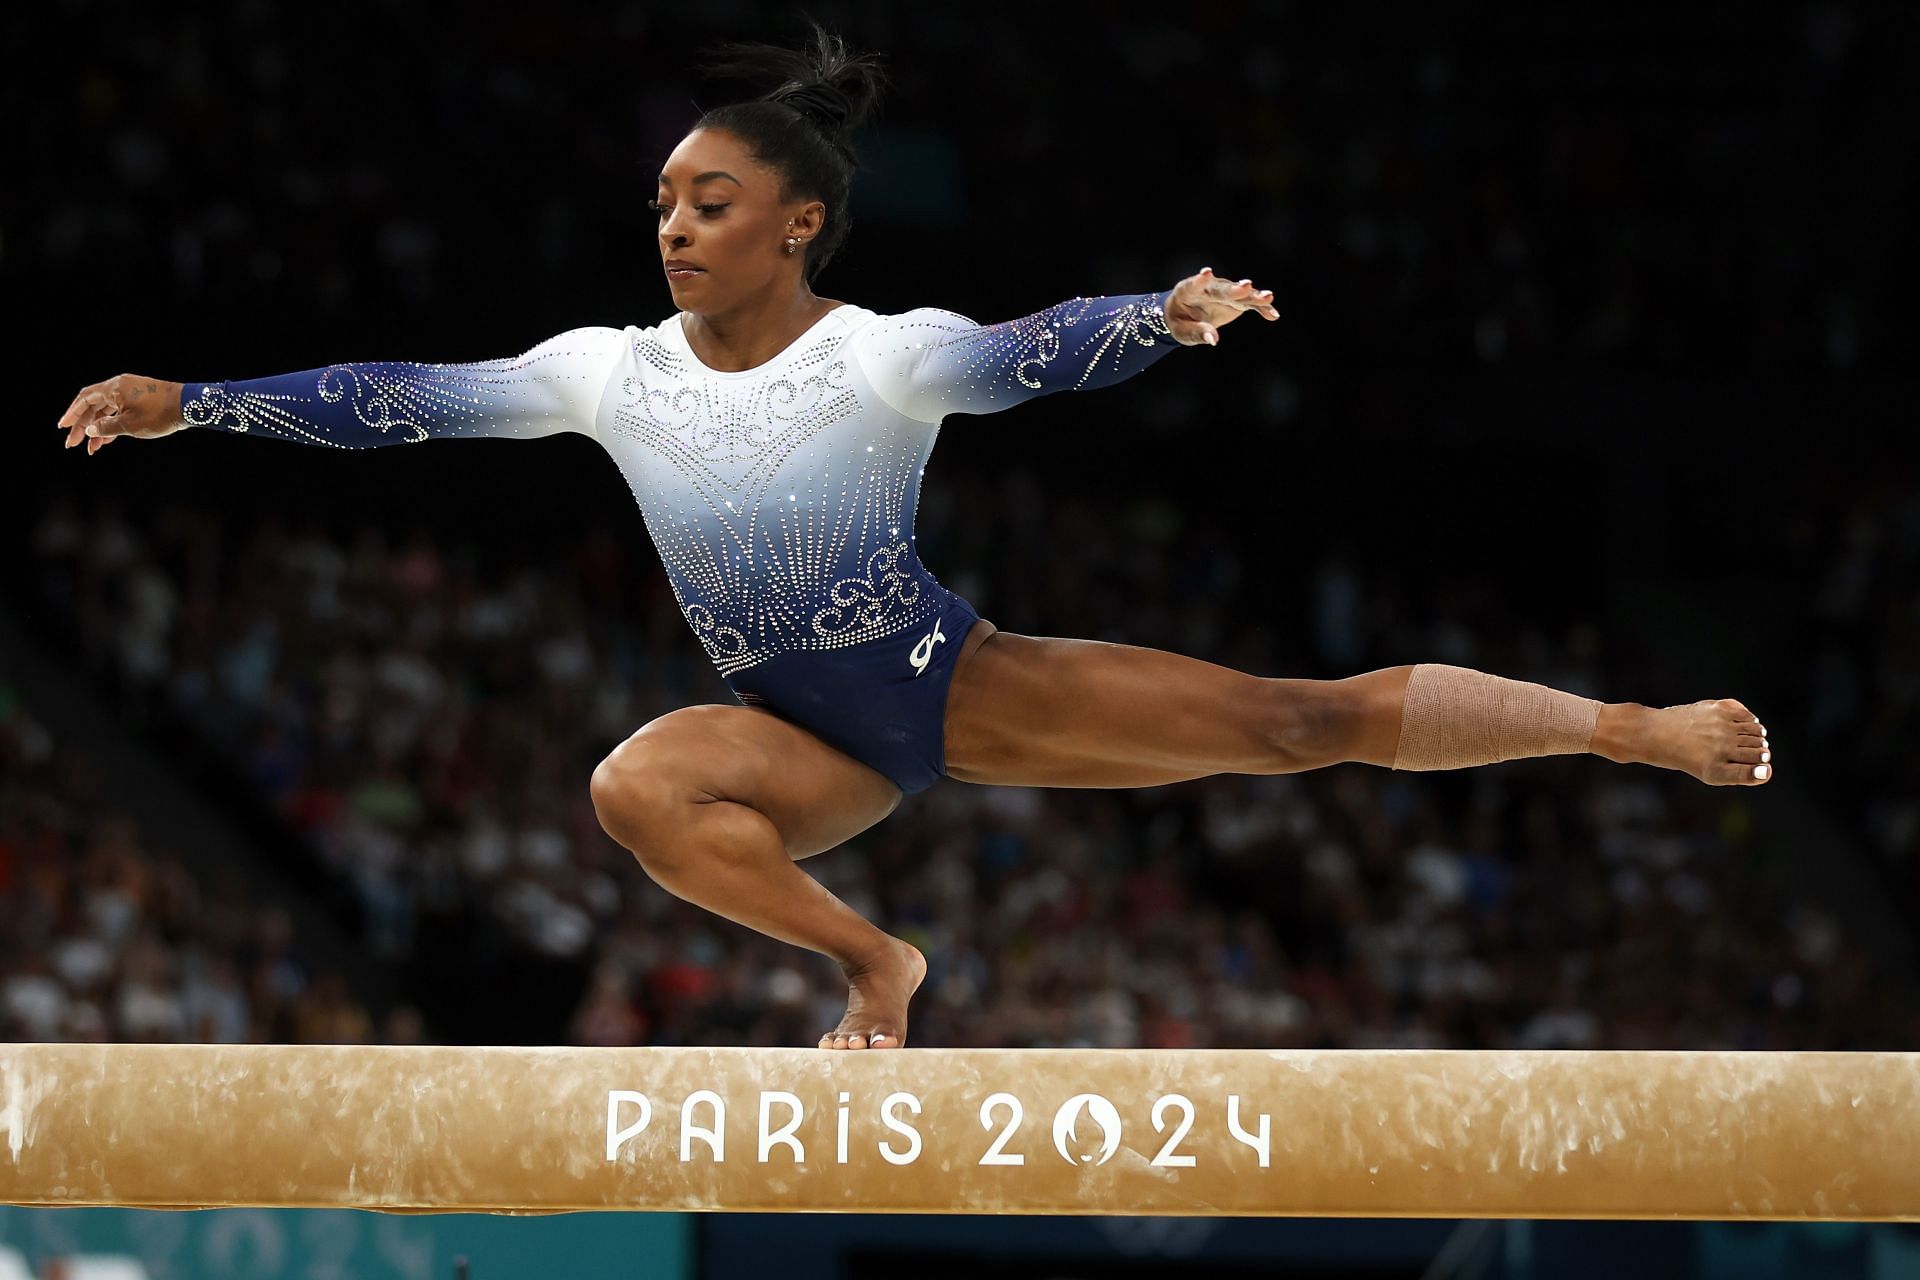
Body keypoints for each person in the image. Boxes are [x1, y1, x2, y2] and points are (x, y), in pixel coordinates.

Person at [56, 22, 1773, 1053]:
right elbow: (405, 397)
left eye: (709, 203)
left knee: (1290, 723)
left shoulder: (880, 355)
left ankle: (1629, 728)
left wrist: (1156, 319)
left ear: (799, 220)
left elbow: (1023, 353)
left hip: (940, 686)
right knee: (635, 789)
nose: (674, 226)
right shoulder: (606, 374)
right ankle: (878, 961)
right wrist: (192, 400)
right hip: (789, 744)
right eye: (662, 203)